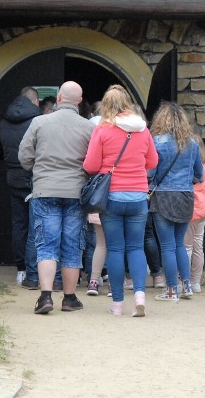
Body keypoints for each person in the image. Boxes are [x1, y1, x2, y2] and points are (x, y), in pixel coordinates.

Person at [19, 81, 95, 314]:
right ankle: (70, 298)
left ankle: (45, 297)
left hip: (45, 190)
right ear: (80, 102)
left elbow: (24, 157)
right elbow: (94, 163)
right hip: (76, 193)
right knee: (72, 246)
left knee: (46, 244)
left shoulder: (39, 122)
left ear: (59, 97)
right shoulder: (89, 128)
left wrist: (40, 169)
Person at [83, 85, 158, 317]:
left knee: (115, 249)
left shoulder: (102, 130)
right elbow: (152, 161)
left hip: (112, 196)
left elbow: (91, 165)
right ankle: (139, 295)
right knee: (136, 247)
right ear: (126, 103)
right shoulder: (143, 129)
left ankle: (117, 304)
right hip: (138, 196)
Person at [148, 102, 203, 302]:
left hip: (163, 196)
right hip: (186, 196)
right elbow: (199, 174)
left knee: (168, 246)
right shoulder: (193, 144)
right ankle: (186, 285)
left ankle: (171, 290)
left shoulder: (156, 142)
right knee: (179, 243)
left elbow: (151, 172)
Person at [0, 86, 41, 286]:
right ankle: (35, 270)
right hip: (33, 177)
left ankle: (20, 269)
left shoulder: (4, 121)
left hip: (12, 176)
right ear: (35, 102)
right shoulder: (37, 121)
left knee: (19, 224)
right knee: (35, 225)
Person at [184, 139, 205, 293]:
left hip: (190, 209)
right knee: (198, 246)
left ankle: (184, 281)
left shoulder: (187, 168)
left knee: (186, 247)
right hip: (203, 208)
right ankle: (196, 282)